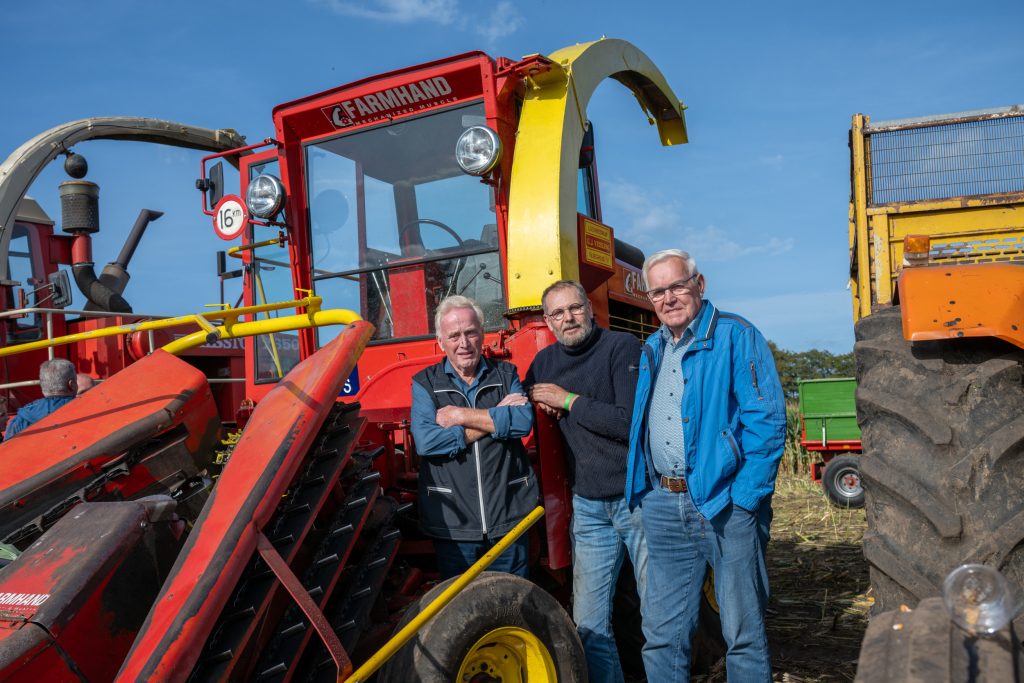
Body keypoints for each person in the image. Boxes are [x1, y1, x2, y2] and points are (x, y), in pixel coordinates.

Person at [624, 249, 786, 682]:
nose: (668, 298)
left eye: (677, 286)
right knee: (661, 633)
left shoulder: (735, 335)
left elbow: (766, 421)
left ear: (699, 284)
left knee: (742, 633)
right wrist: (644, 489)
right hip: (663, 502)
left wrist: (746, 497)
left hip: (723, 503)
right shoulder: (654, 346)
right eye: (658, 291)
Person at [525, 280, 646, 683]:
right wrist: (537, 400)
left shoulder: (621, 348)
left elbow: (630, 423)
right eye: (557, 313)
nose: (568, 319)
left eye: (574, 309)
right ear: (547, 320)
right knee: (591, 625)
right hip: (590, 509)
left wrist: (568, 401)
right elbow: (522, 397)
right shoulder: (543, 364)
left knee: (659, 615)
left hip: (639, 501)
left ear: (589, 309)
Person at [410, 295, 539, 579]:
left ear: (482, 335)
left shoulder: (506, 374)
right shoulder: (425, 384)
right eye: (454, 335)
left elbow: (521, 422)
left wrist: (459, 416)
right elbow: (427, 442)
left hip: (510, 517)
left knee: (511, 603)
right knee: (463, 610)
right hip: (454, 526)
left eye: (470, 332)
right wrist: (493, 418)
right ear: (441, 342)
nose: (463, 343)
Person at [4, 358, 78, 440]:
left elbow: (6, 450)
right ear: (72, 385)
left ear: (43, 385)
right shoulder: (86, 409)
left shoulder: (20, 419)